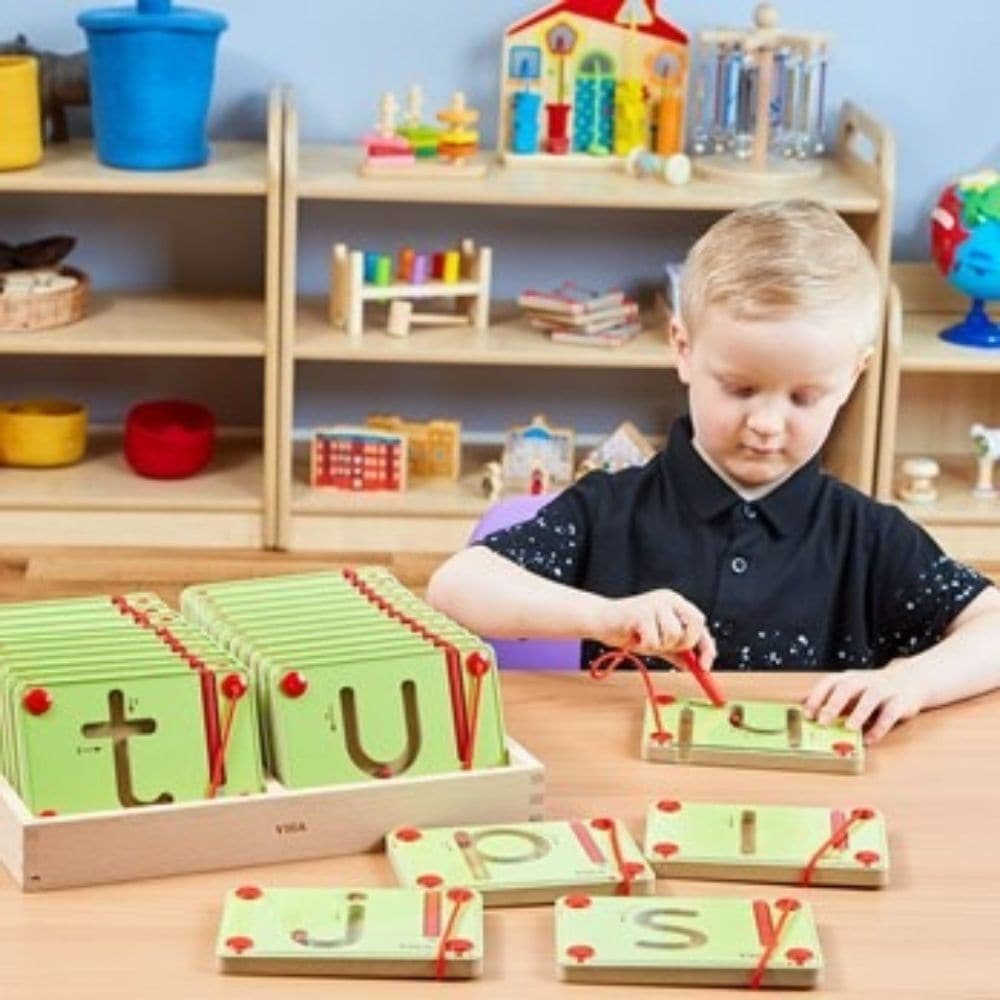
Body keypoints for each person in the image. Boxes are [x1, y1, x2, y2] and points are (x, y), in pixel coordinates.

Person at [428, 200, 1000, 744]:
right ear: (683, 348)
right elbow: (455, 587)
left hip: (806, 813)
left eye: (804, 397)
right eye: (740, 388)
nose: (768, 423)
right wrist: (604, 616)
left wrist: (910, 681)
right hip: (635, 800)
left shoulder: (869, 537)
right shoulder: (610, 507)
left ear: (854, 375)